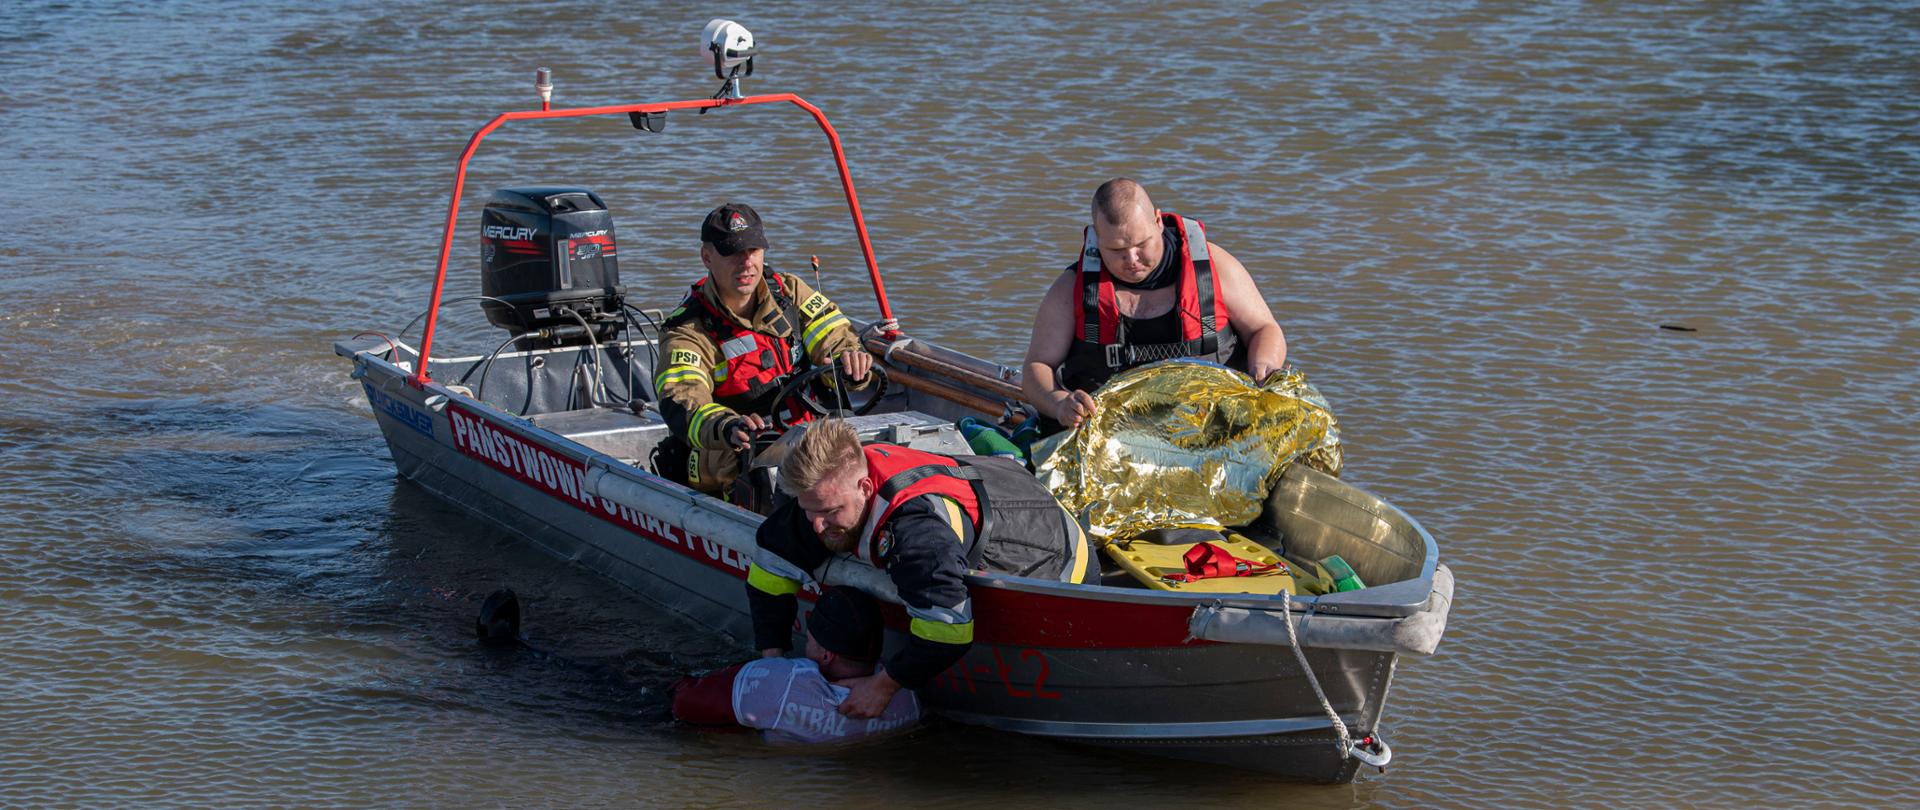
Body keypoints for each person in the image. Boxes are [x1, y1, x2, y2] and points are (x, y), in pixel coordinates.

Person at [744, 418, 1095, 718]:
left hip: (1053, 555)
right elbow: (769, 564)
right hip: (989, 489)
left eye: (830, 512)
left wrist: (882, 687)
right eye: (810, 511)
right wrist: (772, 657)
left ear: (865, 488)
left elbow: (948, 632)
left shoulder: (915, 533)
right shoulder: (827, 495)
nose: (817, 526)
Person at [1021, 178, 1288, 431]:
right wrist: (1058, 403)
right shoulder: (1071, 288)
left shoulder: (1213, 268)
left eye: (1141, 244)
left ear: (1158, 222)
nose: (1131, 258)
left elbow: (1264, 329)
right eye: (1115, 250)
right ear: (1096, 237)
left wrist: (1263, 367)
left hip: (1210, 422)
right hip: (1111, 433)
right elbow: (1037, 366)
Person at [653, 203, 877, 494]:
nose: (746, 263)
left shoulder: (789, 292)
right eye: (732, 252)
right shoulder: (688, 330)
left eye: (753, 250)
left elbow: (834, 336)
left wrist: (848, 365)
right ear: (707, 258)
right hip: (737, 464)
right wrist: (727, 426)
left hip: (810, 447)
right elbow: (683, 401)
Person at [670, 586, 921, 744]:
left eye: (810, 637)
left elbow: (683, 702)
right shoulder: (906, 694)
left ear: (826, 656)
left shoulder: (785, 683)